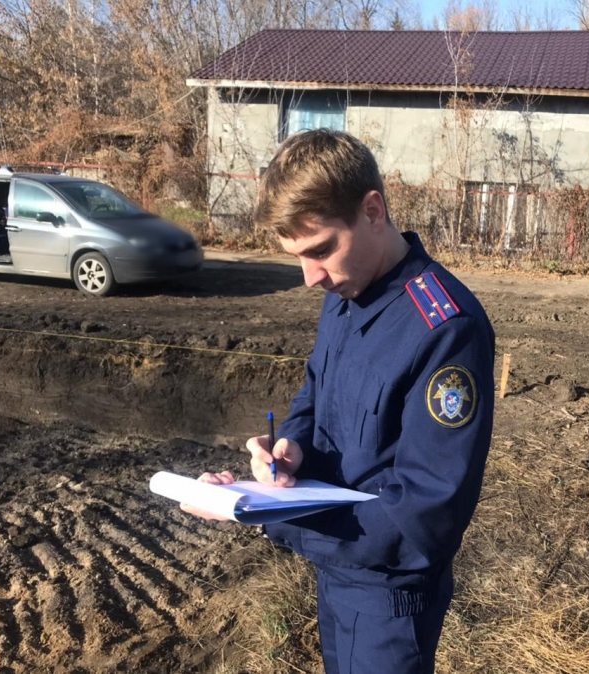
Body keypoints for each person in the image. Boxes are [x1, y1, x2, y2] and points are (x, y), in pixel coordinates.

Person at [182, 129, 495, 674]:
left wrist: (264, 514)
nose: (310, 277)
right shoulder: (346, 293)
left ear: (373, 210)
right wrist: (291, 448)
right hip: (337, 575)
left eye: (321, 250)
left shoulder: (445, 329)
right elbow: (316, 392)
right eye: (298, 257)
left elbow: (428, 512)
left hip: (389, 599)